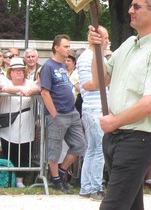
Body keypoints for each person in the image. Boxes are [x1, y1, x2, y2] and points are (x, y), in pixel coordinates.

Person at [88, 0, 151, 210]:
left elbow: (150, 103)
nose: (130, 10)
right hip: (116, 138)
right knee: (131, 204)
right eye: (131, 5)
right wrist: (95, 49)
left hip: (138, 139)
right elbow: (101, 80)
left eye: (137, 6)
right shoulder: (128, 44)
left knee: (113, 205)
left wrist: (115, 121)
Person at [39, 34, 87, 194]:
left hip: (71, 113)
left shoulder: (62, 66)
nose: (69, 49)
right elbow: (45, 92)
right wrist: (54, 114)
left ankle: (60, 172)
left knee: (80, 145)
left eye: (69, 46)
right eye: (66, 46)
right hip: (58, 114)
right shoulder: (48, 66)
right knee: (55, 148)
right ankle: (56, 181)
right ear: (56, 47)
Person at [77, 25, 110, 200]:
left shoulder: (98, 57)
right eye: (105, 38)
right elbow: (87, 84)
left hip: (95, 107)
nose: (107, 42)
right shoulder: (87, 57)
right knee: (98, 150)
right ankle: (95, 187)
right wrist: (109, 79)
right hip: (94, 107)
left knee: (93, 149)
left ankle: (86, 186)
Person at [0, 57, 40, 188]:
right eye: (15, 70)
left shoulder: (30, 83)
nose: (18, 72)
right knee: (9, 151)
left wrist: (30, 90)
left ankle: (20, 180)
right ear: (10, 72)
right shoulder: (4, 80)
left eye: (21, 70)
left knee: (24, 153)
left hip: (26, 123)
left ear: (25, 72)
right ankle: (8, 178)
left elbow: (37, 89)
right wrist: (20, 90)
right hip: (8, 124)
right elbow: (3, 88)